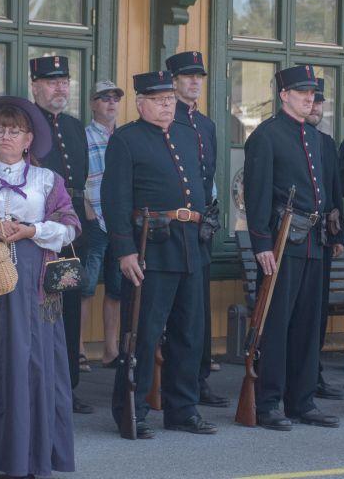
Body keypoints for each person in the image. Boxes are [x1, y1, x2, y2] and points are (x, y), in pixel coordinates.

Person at [0, 96, 80, 476]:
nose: (6, 137)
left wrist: (32, 229)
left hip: (35, 285)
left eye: (14, 131)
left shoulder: (49, 180)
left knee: (32, 364)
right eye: (0, 130)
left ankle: (29, 457)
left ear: (29, 139)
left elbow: (72, 226)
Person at [104, 71, 215, 439]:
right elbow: (115, 200)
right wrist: (124, 251)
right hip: (151, 246)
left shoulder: (186, 134)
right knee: (143, 333)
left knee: (189, 332)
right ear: (141, 103)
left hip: (190, 244)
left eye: (170, 99)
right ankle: (130, 412)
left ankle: (182, 409)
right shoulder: (126, 140)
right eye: (158, 100)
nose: (167, 105)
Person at [244, 64, 339, 431]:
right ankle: (268, 403)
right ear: (284, 95)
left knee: (307, 324)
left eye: (313, 93)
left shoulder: (313, 137)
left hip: (312, 241)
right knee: (277, 325)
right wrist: (261, 244)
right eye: (302, 92)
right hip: (281, 242)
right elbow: (257, 195)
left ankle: (302, 401)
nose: (309, 98)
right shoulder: (266, 136)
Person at [30, 54, 92, 414]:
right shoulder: (28, 124)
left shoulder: (73, 126)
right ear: (36, 86)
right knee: (41, 309)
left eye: (65, 82)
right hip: (38, 233)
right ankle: (42, 385)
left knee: (69, 307)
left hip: (71, 234)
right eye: (52, 82)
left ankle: (68, 384)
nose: (60, 88)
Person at [166, 50, 228, 408]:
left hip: (202, 225)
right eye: (187, 76)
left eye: (199, 77)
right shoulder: (166, 119)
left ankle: (199, 378)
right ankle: (177, 382)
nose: (194, 82)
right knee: (178, 314)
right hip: (173, 227)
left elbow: (208, 176)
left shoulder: (206, 125)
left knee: (199, 310)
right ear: (173, 80)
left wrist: (212, 211)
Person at [81, 80, 125, 368]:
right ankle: (80, 348)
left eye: (115, 98)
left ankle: (111, 350)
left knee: (116, 289)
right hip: (94, 217)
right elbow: (75, 177)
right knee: (85, 287)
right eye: (104, 98)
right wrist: (85, 207)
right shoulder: (83, 136)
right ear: (93, 104)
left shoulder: (125, 138)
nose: (110, 103)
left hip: (120, 219)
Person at [307, 78, 344, 400]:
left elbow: (335, 190)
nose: (316, 107)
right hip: (292, 238)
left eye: (320, 101)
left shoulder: (325, 142)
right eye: (311, 100)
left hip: (322, 235)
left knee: (317, 311)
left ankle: (313, 371)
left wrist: (338, 232)